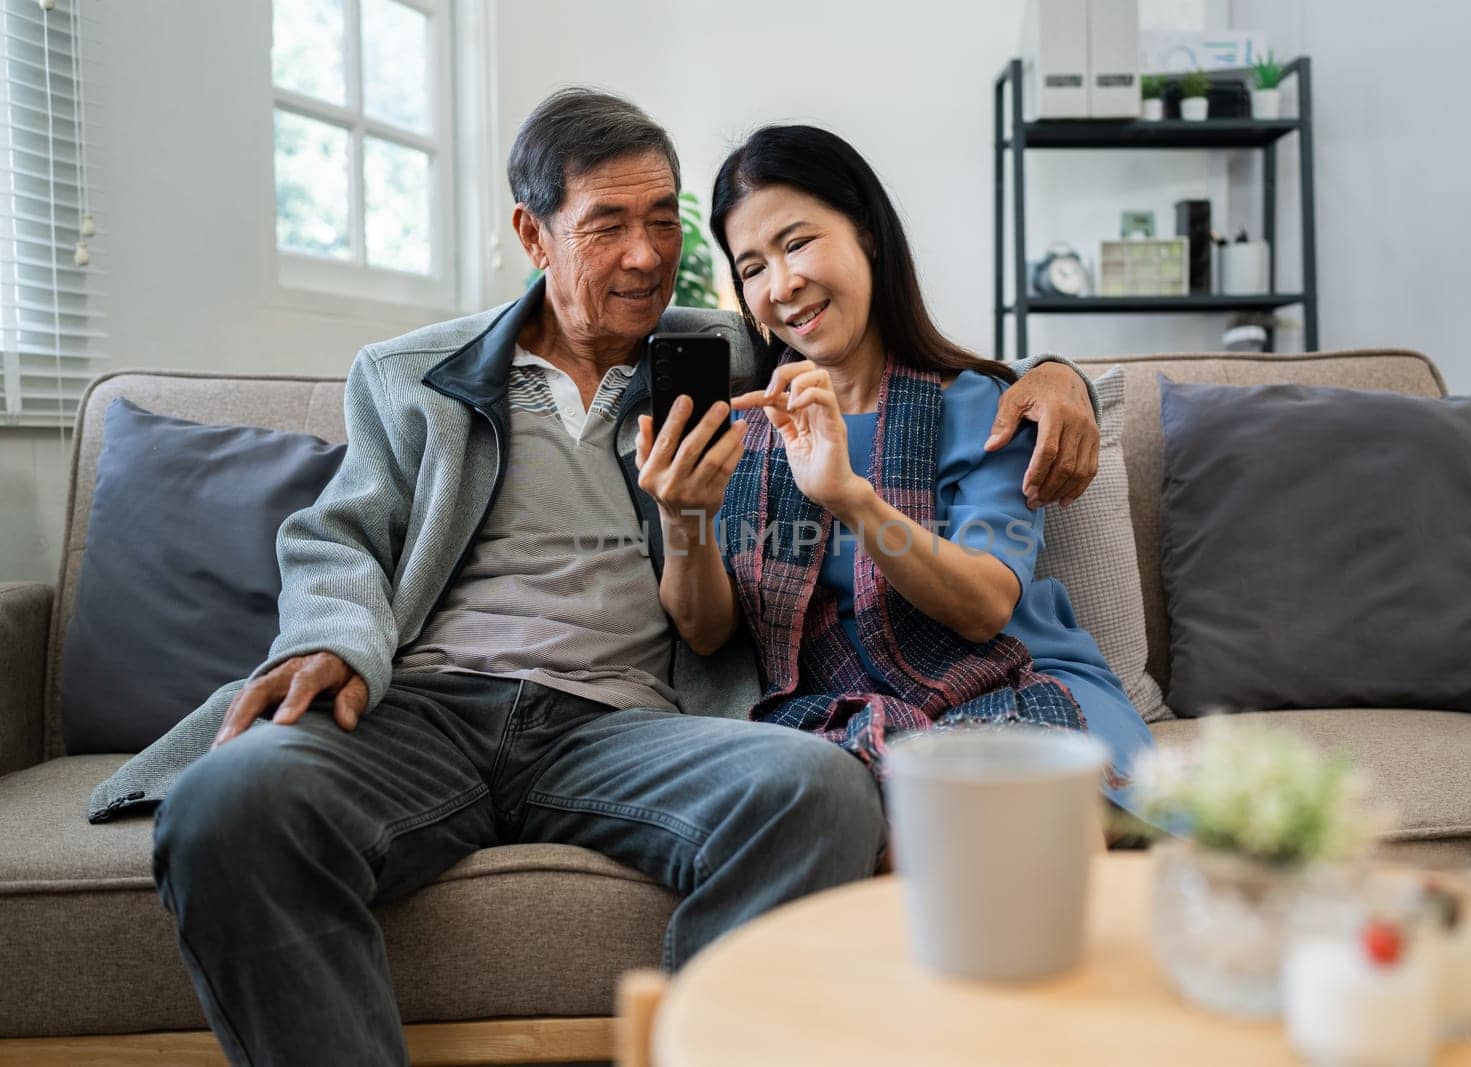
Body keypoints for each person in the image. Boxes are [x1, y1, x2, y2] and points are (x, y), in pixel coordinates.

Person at [83, 91, 1103, 1065]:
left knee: (816, 790)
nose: (648, 254)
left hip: (623, 725)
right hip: (423, 708)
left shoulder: (723, 360)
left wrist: (1058, 373)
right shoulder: (410, 376)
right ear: (533, 235)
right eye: (607, 224)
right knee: (226, 805)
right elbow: (337, 536)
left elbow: (881, 352)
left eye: (664, 221)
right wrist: (329, 637)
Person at [636, 124, 1150, 809]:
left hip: (1017, 685)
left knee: (1019, 815)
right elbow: (706, 630)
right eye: (752, 267)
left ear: (867, 235)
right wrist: (684, 517)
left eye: (797, 243)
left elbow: (987, 605)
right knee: (865, 822)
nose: (782, 285)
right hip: (843, 714)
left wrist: (852, 498)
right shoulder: (747, 429)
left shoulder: (978, 405)